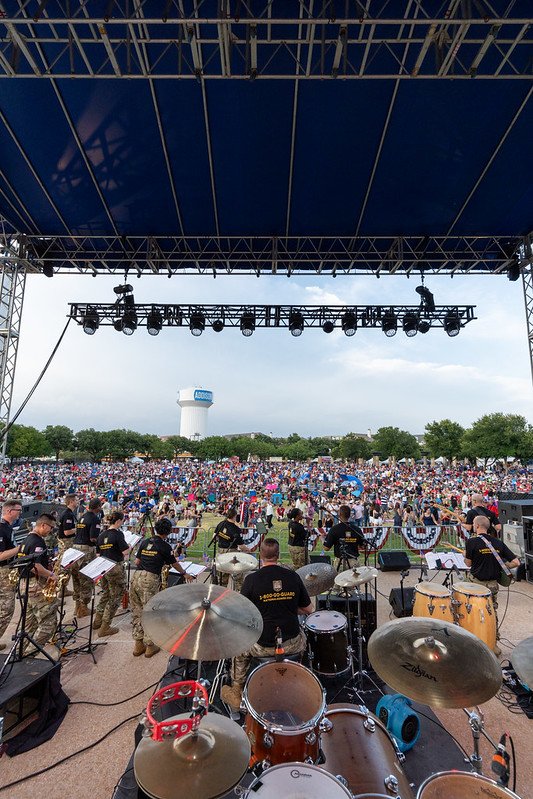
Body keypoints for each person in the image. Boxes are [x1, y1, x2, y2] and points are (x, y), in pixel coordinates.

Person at [220, 538, 313, 711]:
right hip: (292, 644)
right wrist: (288, 606)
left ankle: (237, 690)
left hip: (262, 646)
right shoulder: (293, 576)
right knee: (303, 635)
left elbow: (242, 613)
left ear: (260, 555)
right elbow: (309, 609)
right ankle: (297, 678)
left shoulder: (251, 580)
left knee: (240, 647)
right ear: (278, 554)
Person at [130, 518, 193, 658]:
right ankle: (150, 646)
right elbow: (174, 563)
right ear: (168, 532)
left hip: (136, 577)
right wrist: (184, 573)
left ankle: (138, 644)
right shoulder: (164, 546)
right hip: (150, 579)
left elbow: (137, 561)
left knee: (137, 611)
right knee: (150, 612)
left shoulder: (145, 541)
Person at [464, 515, 519, 656]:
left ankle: (473, 640)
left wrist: (466, 555)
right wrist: (503, 566)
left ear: (477, 526)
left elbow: (468, 563)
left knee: (473, 611)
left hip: (476, 585)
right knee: (491, 612)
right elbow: (516, 562)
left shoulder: (471, 542)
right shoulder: (498, 543)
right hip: (493, 586)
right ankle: (493, 643)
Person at [18, 513, 59, 655]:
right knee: (48, 623)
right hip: (35, 584)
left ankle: (19, 654)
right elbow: (35, 566)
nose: (51, 531)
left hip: (25, 584)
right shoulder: (38, 542)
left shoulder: (26, 539)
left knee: (30, 624)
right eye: (51, 527)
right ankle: (29, 655)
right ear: (43, 525)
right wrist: (51, 575)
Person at [94, 511, 130, 637]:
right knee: (115, 597)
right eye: (122, 521)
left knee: (106, 594)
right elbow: (125, 552)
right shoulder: (118, 534)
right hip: (115, 568)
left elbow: (98, 554)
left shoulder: (101, 535)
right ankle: (105, 627)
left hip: (103, 567)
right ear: (118, 521)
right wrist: (130, 546)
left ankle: (97, 621)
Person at [71, 497, 102, 618]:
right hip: (86, 550)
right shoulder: (95, 519)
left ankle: (77, 607)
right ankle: (83, 608)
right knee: (86, 578)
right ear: (98, 507)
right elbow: (93, 538)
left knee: (76, 578)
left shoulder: (82, 517)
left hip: (75, 549)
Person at [0, 500, 22, 651]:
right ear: (9, 511)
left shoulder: (7, 527)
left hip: (8, 569)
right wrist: (20, 548)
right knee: (6, 610)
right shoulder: (1, 529)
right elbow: (0, 555)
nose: (20, 513)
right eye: (18, 510)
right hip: (3, 571)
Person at [213, 508, 250, 589]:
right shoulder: (235, 529)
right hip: (232, 553)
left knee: (223, 577)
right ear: (235, 516)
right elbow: (241, 546)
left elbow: (214, 537)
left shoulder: (221, 524)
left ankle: (222, 593)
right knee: (238, 576)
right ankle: (239, 593)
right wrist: (248, 550)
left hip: (220, 552)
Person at [323, 504, 366, 570]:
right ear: (349, 515)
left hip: (340, 563)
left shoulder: (334, 529)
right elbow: (363, 546)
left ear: (339, 514)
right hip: (354, 562)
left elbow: (326, 548)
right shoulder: (357, 529)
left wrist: (322, 539)